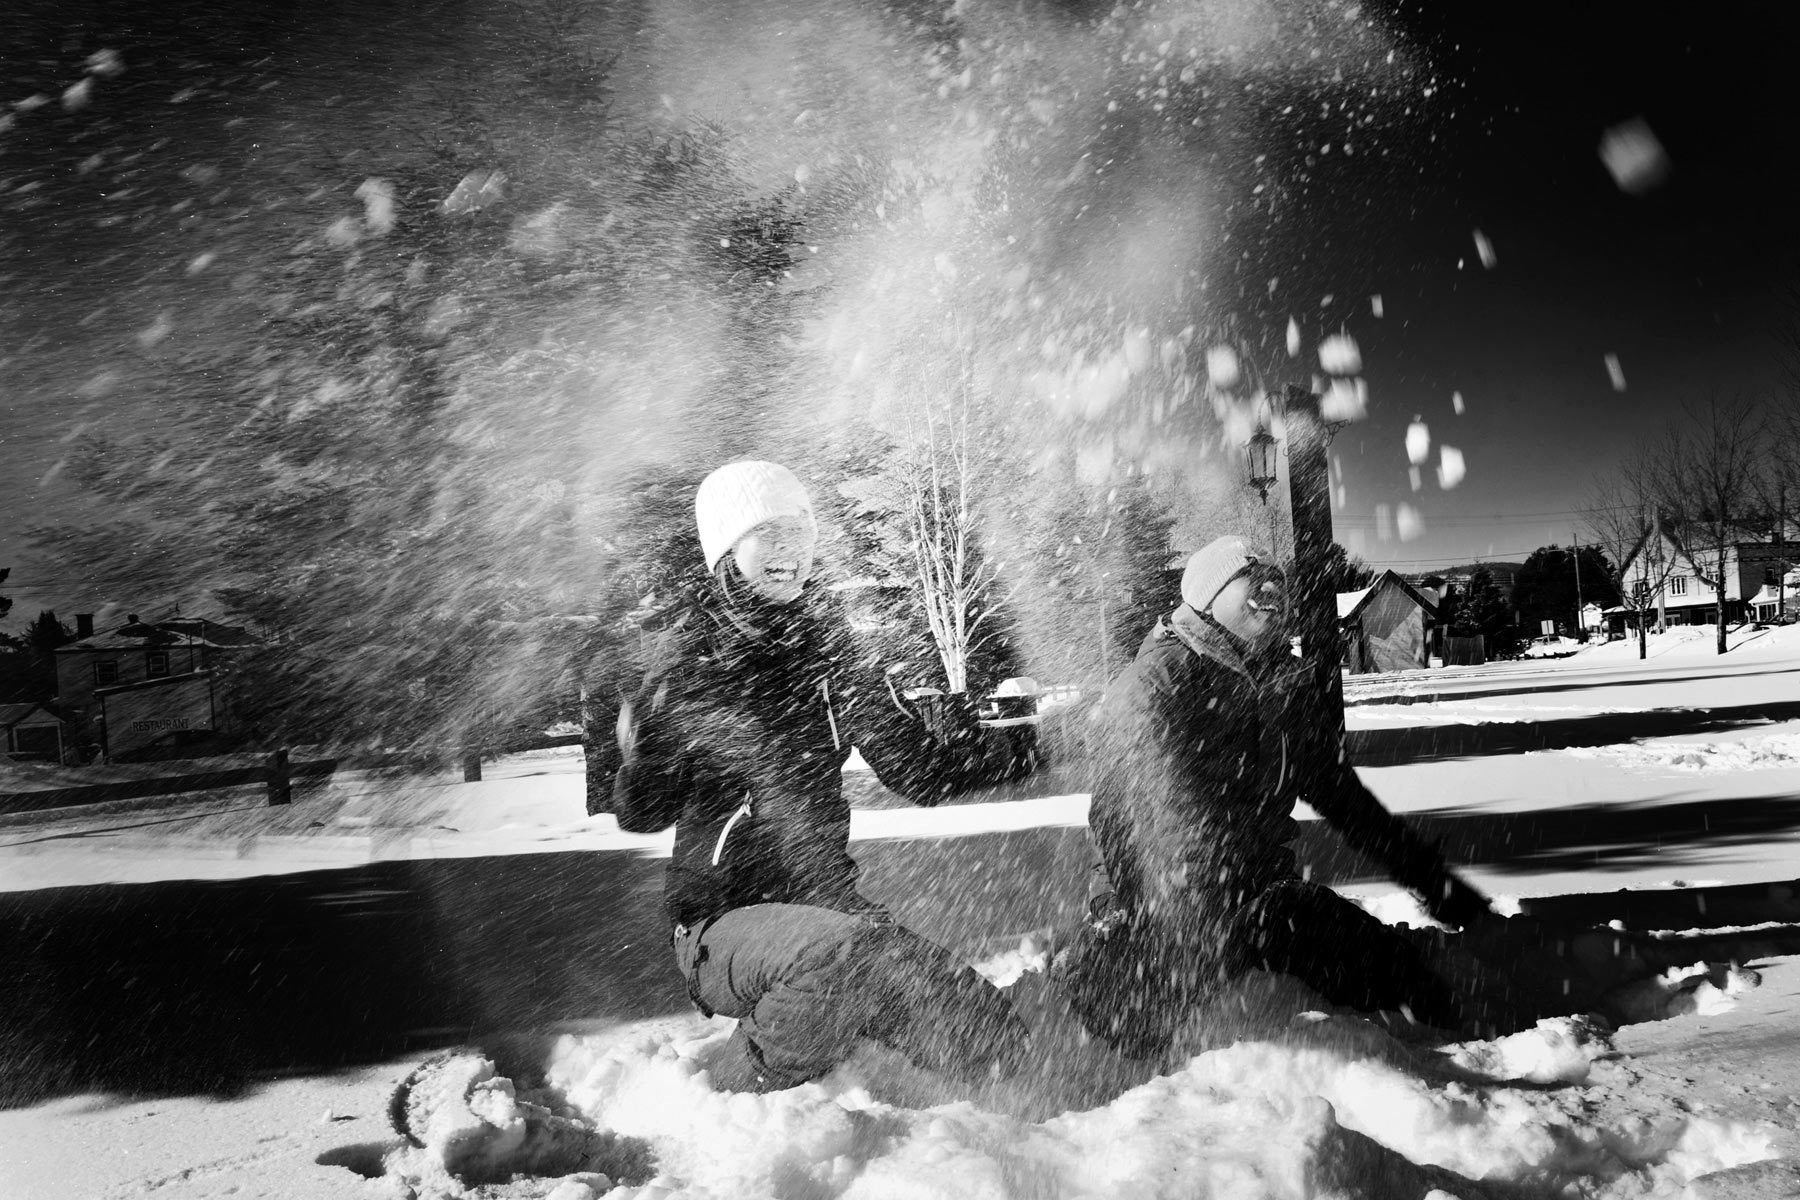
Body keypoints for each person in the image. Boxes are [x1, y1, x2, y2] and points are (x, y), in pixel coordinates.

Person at [607, 459, 1035, 1092]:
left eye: (799, 532)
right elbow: (642, 811)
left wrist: (1013, 749)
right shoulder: (689, 661)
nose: (789, 550)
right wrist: (647, 734)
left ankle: (828, 1019)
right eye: (768, 533)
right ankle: (730, 1097)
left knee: (986, 1033)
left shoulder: (827, 651)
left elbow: (917, 770)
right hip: (719, 927)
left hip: (829, 907)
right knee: (838, 956)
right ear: (726, 548)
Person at [1059, 535, 1501, 1059]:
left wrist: (1435, 884)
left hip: (1260, 894)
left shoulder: (1279, 688)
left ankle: (1475, 1054)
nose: (1272, 593)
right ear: (1207, 598)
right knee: (1140, 1020)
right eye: (1253, 581)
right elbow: (1143, 820)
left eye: (1278, 583)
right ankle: (1098, 975)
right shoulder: (1152, 688)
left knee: (1402, 981)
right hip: (1159, 902)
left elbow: (1344, 799)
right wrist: (1203, 913)